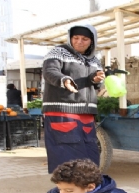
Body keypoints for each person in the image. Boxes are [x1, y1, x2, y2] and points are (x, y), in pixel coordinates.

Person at [41, 24, 105, 173]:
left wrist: (96, 79)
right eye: (75, 38)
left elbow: (94, 83)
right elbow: (50, 71)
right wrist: (63, 80)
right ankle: (69, 192)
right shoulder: (58, 52)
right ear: (70, 38)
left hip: (86, 113)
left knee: (90, 156)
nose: (79, 41)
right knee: (67, 157)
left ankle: (86, 190)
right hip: (62, 111)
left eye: (85, 39)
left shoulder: (94, 60)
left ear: (92, 41)